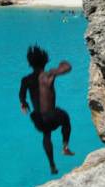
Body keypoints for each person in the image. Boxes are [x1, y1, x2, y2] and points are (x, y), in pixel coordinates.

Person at [19, 45, 75, 175]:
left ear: (30, 63)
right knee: (65, 118)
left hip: (39, 118)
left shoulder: (26, 80)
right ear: (45, 61)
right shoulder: (49, 74)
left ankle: (52, 165)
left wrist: (24, 103)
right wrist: (61, 64)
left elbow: (21, 94)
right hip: (52, 115)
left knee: (46, 135)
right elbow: (68, 67)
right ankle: (65, 146)